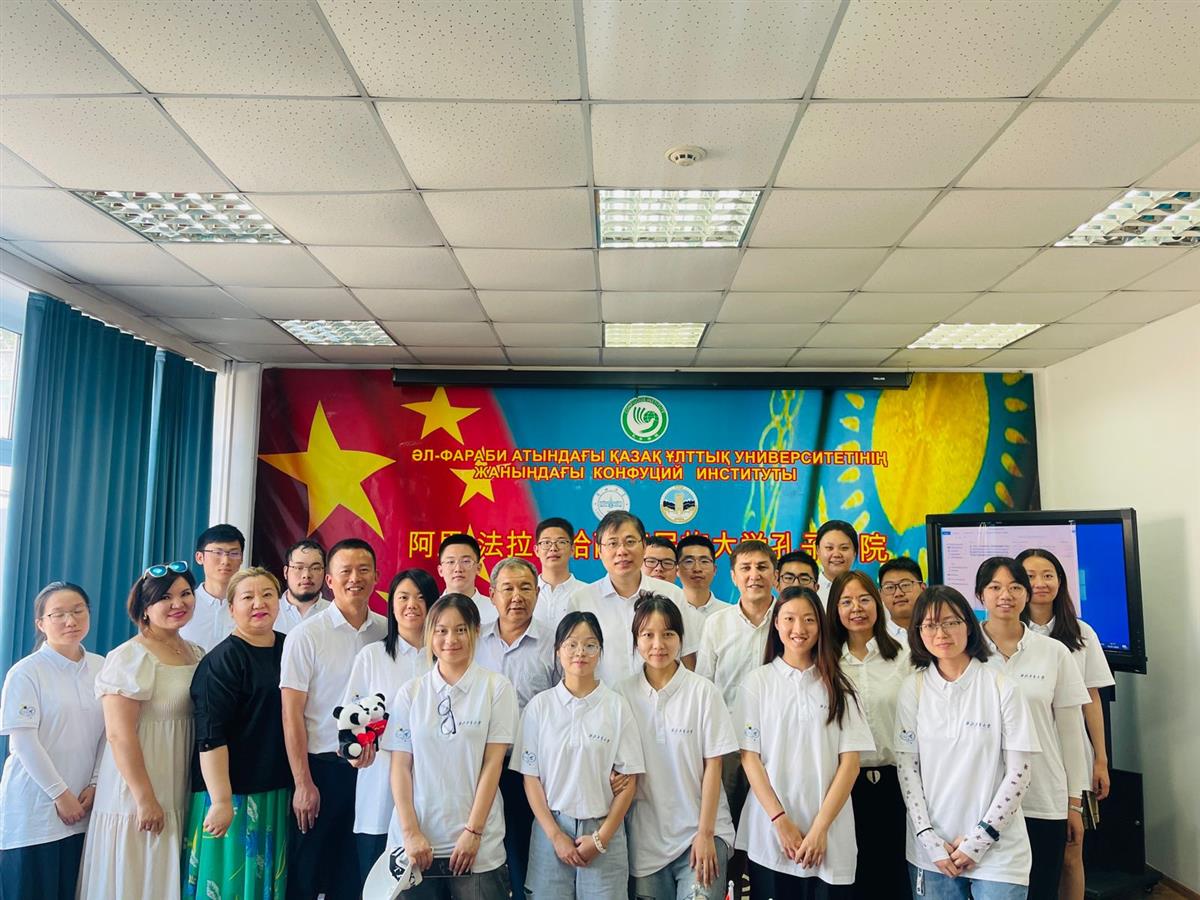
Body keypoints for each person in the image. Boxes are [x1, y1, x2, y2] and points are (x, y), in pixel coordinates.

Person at [894, 585, 1041, 899]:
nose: (941, 633)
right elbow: (908, 769)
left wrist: (980, 839)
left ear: (969, 626)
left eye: (951, 622)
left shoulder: (1002, 686)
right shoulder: (912, 688)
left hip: (999, 849)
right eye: (930, 625)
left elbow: (1019, 773)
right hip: (933, 851)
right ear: (918, 632)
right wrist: (928, 838)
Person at [735, 586, 873, 899]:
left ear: (820, 625)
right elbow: (749, 758)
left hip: (829, 834)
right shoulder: (757, 683)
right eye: (789, 619)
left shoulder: (840, 685)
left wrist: (820, 829)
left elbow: (850, 764)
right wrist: (780, 821)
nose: (799, 628)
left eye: (809, 619)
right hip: (770, 834)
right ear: (776, 624)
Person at [77, 562, 206, 898]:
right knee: (138, 875)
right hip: (138, 786)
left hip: (179, 780)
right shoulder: (130, 657)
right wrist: (145, 798)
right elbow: (119, 734)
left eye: (185, 594)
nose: (178, 603)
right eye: (165, 597)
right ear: (144, 608)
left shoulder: (195, 652)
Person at [384, 593, 517, 899]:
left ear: (476, 631)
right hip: (417, 845)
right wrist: (410, 833)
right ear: (430, 634)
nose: (450, 639)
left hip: (477, 846)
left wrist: (473, 832)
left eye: (460, 630)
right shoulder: (411, 692)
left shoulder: (496, 688)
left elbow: (493, 764)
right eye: (441, 630)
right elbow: (400, 767)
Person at [280, 538, 386, 900]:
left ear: (376, 576)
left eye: (363, 570)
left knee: (356, 874)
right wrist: (303, 784)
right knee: (307, 874)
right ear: (329, 580)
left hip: (373, 772)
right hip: (322, 771)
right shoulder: (306, 635)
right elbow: (291, 714)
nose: (355, 578)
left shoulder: (386, 631)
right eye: (345, 571)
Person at [977, 557, 1089, 900]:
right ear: (980, 595)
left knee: (1041, 887)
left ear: (1026, 594)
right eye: (995, 587)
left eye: (1015, 587)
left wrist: (1074, 803)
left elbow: (1070, 732)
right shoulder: (965, 650)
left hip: (1043, 796)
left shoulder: (1053, 652)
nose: (1005, 595)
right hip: (982, 798)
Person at [514, 611, 643, 900]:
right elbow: (531, 778)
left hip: (604, 830)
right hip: (550, 830)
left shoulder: (616, 707)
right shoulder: (539, 707)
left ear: (600, 651)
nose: (580, 652)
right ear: (557, 651)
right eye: (571, 644)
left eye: (590, 645)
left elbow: (629, 781)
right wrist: (555, 836)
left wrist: (601, 838)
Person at [618, 595, 737, 900]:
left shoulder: (703, 692)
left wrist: (706, 834)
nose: (658, 644)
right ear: (636, 641)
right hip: (646, 842)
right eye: (648, 635)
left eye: (668, 634)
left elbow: (714, 766)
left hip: (702, 833)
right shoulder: (622, 695)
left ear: (681, 639)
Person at [184, 567, 291, 900]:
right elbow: (210, 736)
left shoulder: (289, 648)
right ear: (231, 608)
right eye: (248, 597)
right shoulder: (222, 661)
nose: (259, 603)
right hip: (231, 795)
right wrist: (220, 800)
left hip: (275, 790)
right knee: (229, 885)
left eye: (268, 594)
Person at [1016, 547, 1116, 900]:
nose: (1040, 583)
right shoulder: (1006, 633)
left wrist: (1100, 759)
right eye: (1030, 576)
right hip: (1022, 757)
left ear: (1061, 581)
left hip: (1071, 756)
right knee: (1026, 853)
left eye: (1048, 575)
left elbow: (1092, 699)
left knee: (1072, 850)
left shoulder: (1081, 633)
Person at [0, 583, 104, 900]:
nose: (70, 621)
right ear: (41, 623)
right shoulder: (26, 673)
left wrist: (95, 783)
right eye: (58, 614)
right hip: (34, 812)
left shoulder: (102, 667)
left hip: (86, 809)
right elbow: (23, 743)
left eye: (78, 611)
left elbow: (109, 733)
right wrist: (61, 795)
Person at [694, 538, 779, 899]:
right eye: (745, 568)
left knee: (771, 830)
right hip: (728, 748)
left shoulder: (789, 620)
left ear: (775, 573)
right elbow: (705, 688)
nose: (754, 575)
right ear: (732, 575)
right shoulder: (717, 624)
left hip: (777, 747)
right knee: (725, 830)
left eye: (762, 567)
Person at [343, 568, 437, 886]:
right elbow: (349, 722)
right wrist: (355, 753)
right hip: (379, 789)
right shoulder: (372, 656)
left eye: (421, 597)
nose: (412, 605)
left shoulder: (445, 659)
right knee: (378, 884)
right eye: (403, 597)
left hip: (432, 790)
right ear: (391, 604)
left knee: (427, 885)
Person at [472, 558, 556, 897]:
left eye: (525, 588)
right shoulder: (474, 639)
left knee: (525, 850)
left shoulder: (555, 642)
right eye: (507, 588)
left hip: (533, 769)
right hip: (479, 765)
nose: (517, 596)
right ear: (492, 595)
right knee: (480, 850)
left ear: (538, 593)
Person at [826, 571, 909, 899]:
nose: (856, 608)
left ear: (878, 603)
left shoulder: (903, 655)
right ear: (835, 610)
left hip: (897, 783)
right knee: (852, 882)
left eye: (864, 599)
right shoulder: (827, 661)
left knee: (895, 878)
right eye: (846, 602)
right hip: (844, 786)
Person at [567, 511, 698, 685]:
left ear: (643, 546)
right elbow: (572, 664)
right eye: (612, 543)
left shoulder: (672, 594)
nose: (622, 551)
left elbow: (687, 656)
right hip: (604, 700)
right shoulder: (581, 601)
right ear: (599, 551)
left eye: (630, 542)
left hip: (663, 698)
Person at [181, 524, 246, 651]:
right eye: (217, 553)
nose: (225, 561)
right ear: (200, 557)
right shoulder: (184, 604)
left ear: (242, 559)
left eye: (234, 553)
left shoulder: (249, 606)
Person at [437, 533, 497, 627]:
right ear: (440, 570)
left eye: (466, 561)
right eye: (451, 562)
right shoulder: (430, 609)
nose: (458, 569)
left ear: (478, 568)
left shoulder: (496, 611)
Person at [533, 517, 583, 629]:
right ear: (537, 550)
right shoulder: (526, 593)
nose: (553, 548)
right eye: (546, 542)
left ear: (572, 549)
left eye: (561, 542)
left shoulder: (588, 593)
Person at [276, 539, 330, 634]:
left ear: (325, 572)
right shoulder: (269, 612)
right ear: (285, 572)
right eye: (299, 568)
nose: (306, 575)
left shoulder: (334, 613)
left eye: (315, 568)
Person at [678, 533, 726, 619]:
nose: (697, 569)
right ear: (677, 569)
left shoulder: (728, 613)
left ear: (714, 569)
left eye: (704, 561)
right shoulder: (666, 612)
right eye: (689, 561)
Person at [878, 556, 925, 642]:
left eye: (905, 585)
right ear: (880, 594)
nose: (898, 594)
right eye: (889, 587)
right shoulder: (875, 639)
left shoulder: (939, 631)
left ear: (923, 589)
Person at [814, 521, 858, 601]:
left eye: (844, 548)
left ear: (854, 551)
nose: (836, 554)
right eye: (829, 548)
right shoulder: (810, 590)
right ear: (818, 550)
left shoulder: (865, 589)